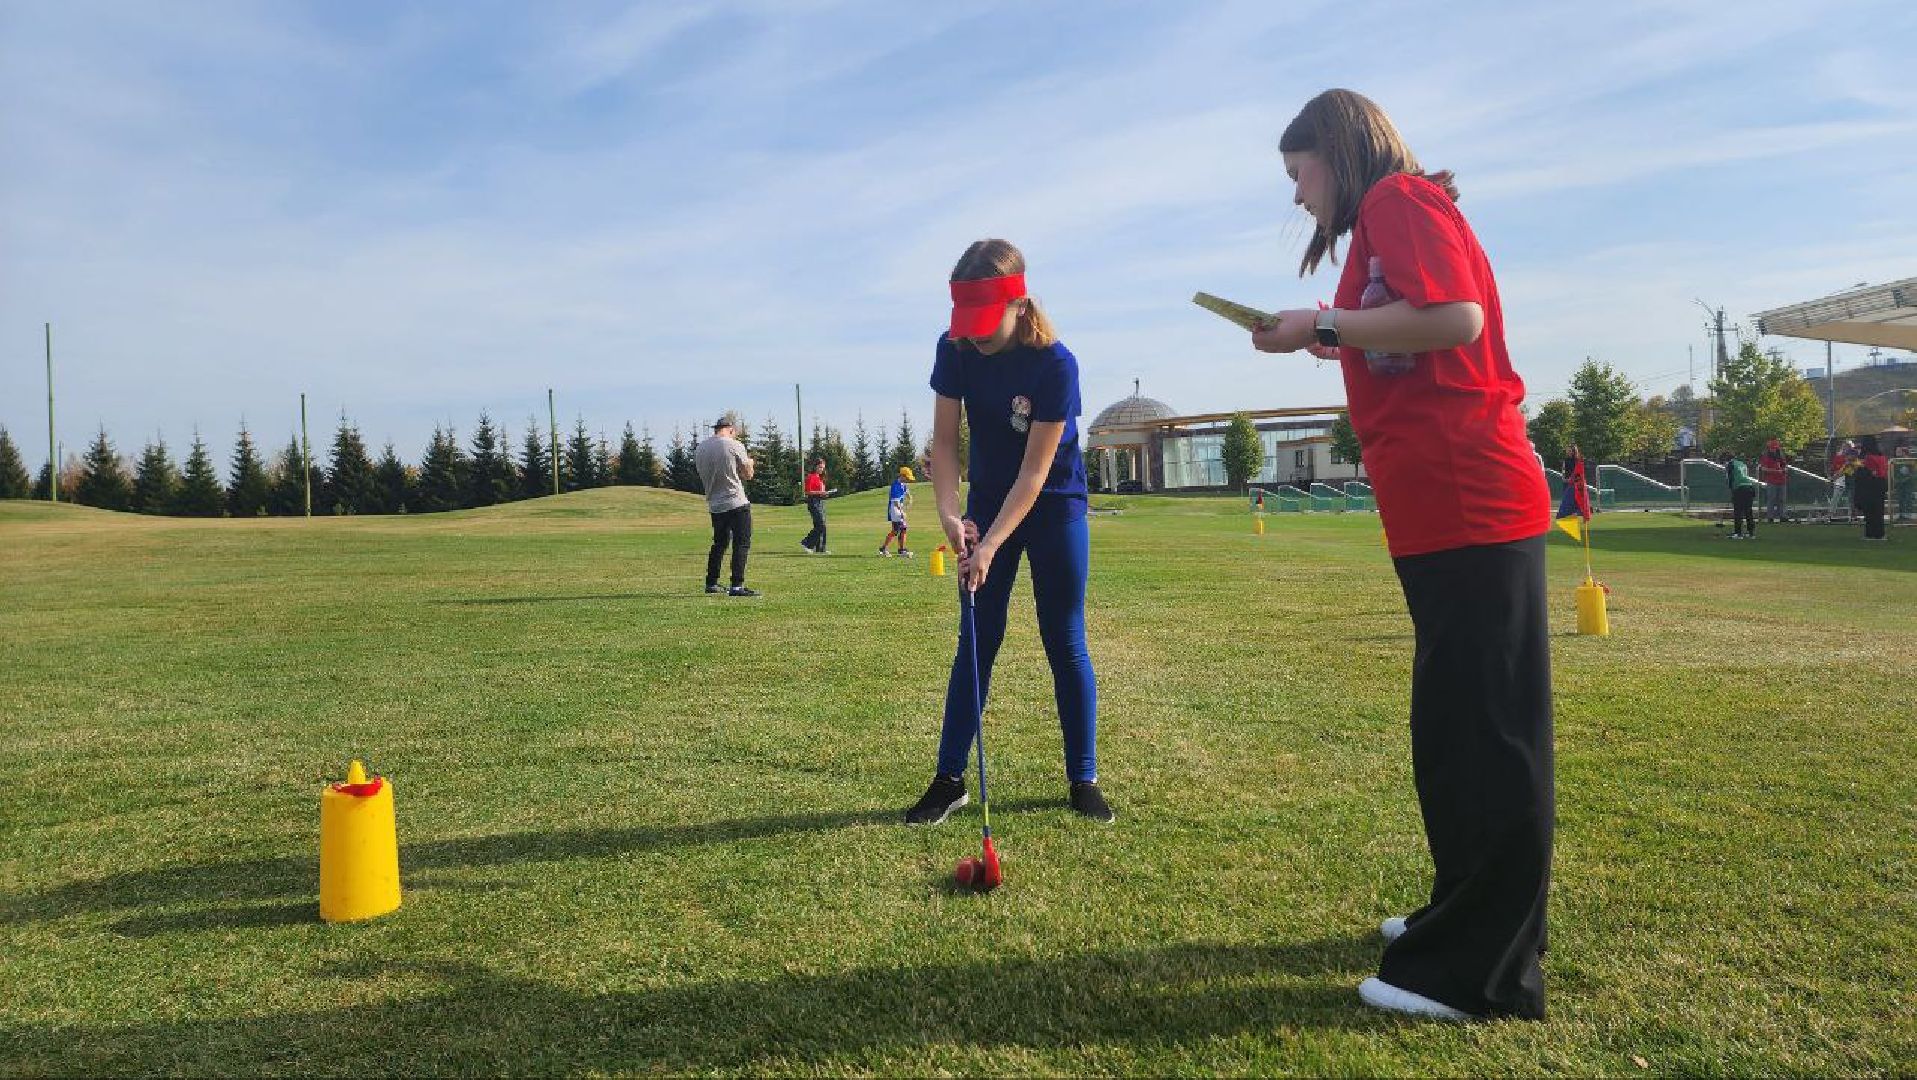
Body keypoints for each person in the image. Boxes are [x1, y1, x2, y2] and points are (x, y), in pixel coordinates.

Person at [1250, 89, 1553, 1020]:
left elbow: (1454, 319)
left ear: (1337, 153)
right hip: (1441, 510)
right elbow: (1408, 333)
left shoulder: (1397, 200)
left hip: (1470, 500)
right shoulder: (1390, 216)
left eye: (1298, 172)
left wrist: (1322, 325)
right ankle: (1463, 914)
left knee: (1486, 736)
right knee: (1454, 732)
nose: (1297, 194)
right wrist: (1325, 336)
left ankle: (1478, 973)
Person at [907, 238, 1111, 827]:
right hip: (987, 500)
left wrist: (991, 545)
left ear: (1019, 304)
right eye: (965, 324)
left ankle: (1083, 778)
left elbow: (1034, 473)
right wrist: (951, 514)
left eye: (984, 323)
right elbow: (946, 444)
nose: (973, 337)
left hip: (1053, 506)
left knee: (1064, 640)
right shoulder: (955, 349)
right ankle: (949, 780)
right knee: (976, 640)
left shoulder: (1056, 364)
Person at [694, 416, 758, 596]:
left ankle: (711, 582)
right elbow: (748, 475)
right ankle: (737, 585)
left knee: (719, 543)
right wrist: (750, 463)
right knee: (742, 542)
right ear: (731, 429)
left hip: (715, 503)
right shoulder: (734, 445)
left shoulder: (701, 448)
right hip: (736, 501)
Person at [1855, 435, 1890, 540]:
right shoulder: (1882, 457)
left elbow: (1869, 473)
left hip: (1870, 485)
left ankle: (1871, 533)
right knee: (1879, 510)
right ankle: (1880, 533)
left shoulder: (1868, 457)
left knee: (1870, 511)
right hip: (1881, 484)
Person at [800, 458, 835, 554]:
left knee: (822, 526)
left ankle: (820, 549)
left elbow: (820, 492)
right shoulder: (811, 477)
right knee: (820, 525)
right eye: (820, 467)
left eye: (823, 468)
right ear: (815, 466)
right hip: (813, 502)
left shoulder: (820, 478)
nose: (821, 469)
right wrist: (820, 492)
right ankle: (806, 543)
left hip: (820, 502)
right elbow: (808, 492)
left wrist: (825, 494)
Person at [878, 466, 915, 557]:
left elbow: (907, 492)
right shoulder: (895, 486)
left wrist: (910, 499)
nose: (908, 480)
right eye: (907, 478)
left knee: (903, 529)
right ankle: (884, 549)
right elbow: (895, 502)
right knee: (896, 530)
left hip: (898, 509)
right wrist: (902, 512)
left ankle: (901, 550)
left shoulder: (903, 485)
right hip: (894, 510)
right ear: (902, 476)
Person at [1724, 450, 1758, 539]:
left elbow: (1730, 478)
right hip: (1749, 487)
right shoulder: (1742, 464)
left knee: (1738, 511)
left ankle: (1738, 533)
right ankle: (1751, 533)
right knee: (1748, 511)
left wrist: (1732, 490)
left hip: (1740, 488)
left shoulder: (1730, 464)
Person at [1758, 438, 1790, 523]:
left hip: (1782, 480)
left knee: (1782, 499)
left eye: (1775, 448)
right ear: (1769, 448)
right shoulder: (1765, 456)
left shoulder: (1781, 456)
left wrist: (1784, 470)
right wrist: (1775, 471)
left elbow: (1785, 466)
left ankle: (1782, 516)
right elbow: (1763, 468)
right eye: (1772, 448)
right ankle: (1770, 517)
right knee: (1771, 499)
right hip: (1771, 481)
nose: (1774, 450)